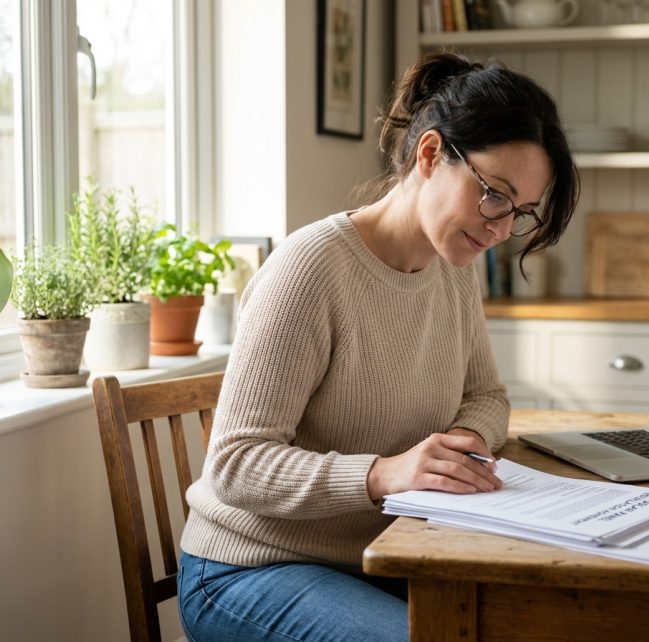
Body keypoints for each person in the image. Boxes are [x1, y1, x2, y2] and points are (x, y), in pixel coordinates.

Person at [177, 51, 578, 642]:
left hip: (387, 555)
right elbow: (236, 464)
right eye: (493, 194)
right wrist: (385, 475)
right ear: (431, 153)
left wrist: (464, 443)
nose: (498, 229)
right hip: (250, 568)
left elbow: (486, 395)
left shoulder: (453, 267)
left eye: (517, 213)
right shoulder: (310, 269)